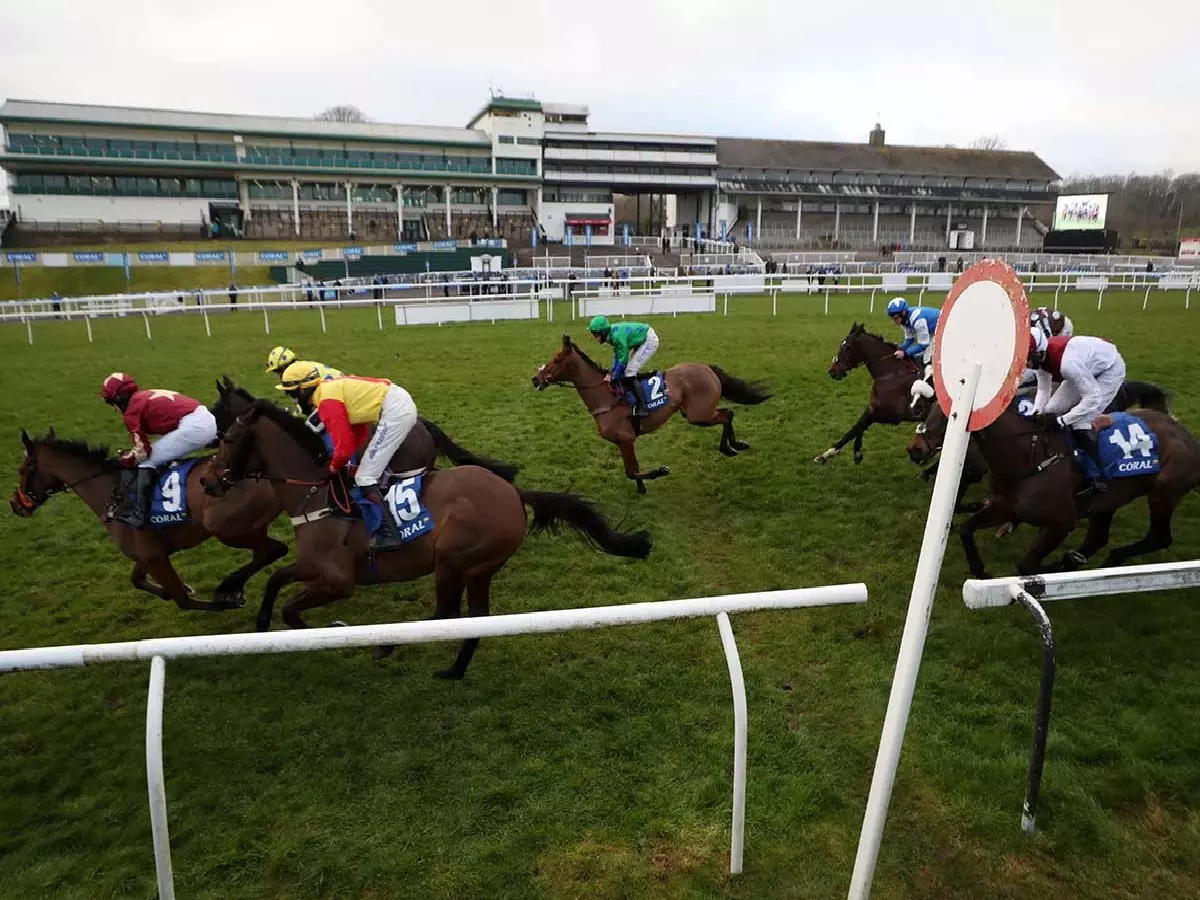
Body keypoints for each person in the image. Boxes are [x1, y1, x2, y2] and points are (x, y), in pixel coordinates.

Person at [276, 362, 418, 550]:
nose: (291, 399)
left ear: (302, 390)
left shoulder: (327, 403)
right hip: (395, 404)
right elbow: (356, 431)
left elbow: (342, 448)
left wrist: (333, 468)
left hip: (395, 412)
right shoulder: (329, 391)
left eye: (291, 393)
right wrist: (347, 463)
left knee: (365, 477)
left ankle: (391, 535)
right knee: (363, 472)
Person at [100, 373, 218, 528]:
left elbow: (142, 452)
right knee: (160, 451)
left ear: (118, 399)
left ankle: (138, 515)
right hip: (205, 419)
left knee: (147, 461)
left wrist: (123, 460)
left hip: (195, 427)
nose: (113, 408)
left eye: (110, 402)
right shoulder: (143, 396)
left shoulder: (132, 411)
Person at [1028, 330, 1127, 492]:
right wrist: (1037, 413)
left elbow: (1093, 397)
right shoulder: (1041, 359)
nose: (1026, 364)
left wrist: (1063, 420)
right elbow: (1043, 390)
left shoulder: (1068, 365)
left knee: (1081, 421)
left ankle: (1097, 473)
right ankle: (1056, 457)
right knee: (1050, 410)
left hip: (1109, 370)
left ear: (1039, 353)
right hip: (1085, 367)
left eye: (1028, 359)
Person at [587, 315, 659, 415]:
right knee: (627, 371)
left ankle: (642, 407)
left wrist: (613, 377)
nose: (595, 338)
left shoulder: (616, 337)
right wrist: (612, 372)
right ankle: (642, 381)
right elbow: (617, 356)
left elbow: (623, 361)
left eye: (595, 335)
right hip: (641, 339)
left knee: (629, 372)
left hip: (648, 340)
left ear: (603, 332)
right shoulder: (611, 335)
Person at [885, 297, 940, 380]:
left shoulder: (918, 321)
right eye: (892, 318)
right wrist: (900, 348)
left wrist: (905, 353)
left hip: (942, 328)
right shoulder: (905, 320)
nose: (894, 321)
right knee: (918, 354)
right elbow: (910, 339)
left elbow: (923, 344)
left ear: (903, 313)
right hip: (932, 329)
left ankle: (931, 379)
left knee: (927, 358)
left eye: (896, 318)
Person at [265, 346, 343, 381]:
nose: (279, 376)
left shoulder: (297, 374)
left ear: (283, 368)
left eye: (277, 371)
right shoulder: (301, 366)